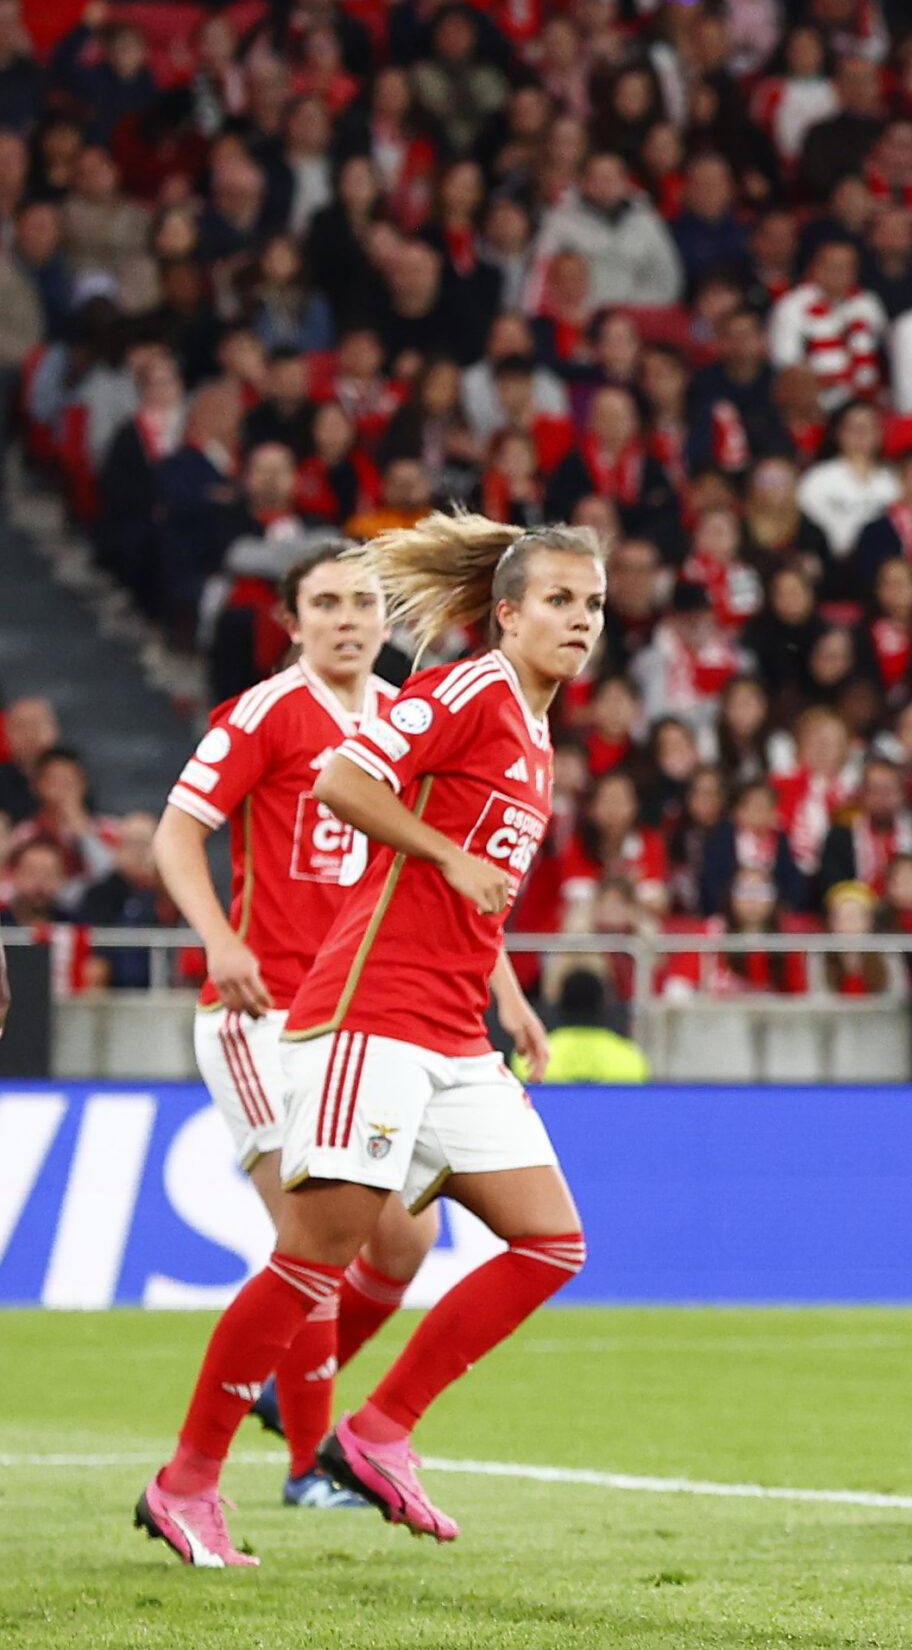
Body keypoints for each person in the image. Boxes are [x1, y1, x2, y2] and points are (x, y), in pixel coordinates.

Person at [136, 518, 602, 1567]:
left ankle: (376, 1430)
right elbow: (346, 783)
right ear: (510, 612)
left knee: (551, 1239)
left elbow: (469, 889)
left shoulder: (529, 726)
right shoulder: (465, 690)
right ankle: (189, 1481)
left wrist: (508, 994)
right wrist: (444, 854)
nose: (581, 620)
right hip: (369, 1011)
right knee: (315, 1255)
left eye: (594, 604)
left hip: (453, 1028)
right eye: (562, 601)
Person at [150, 538, 442, 1511]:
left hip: (357, 1017)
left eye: (365, 602)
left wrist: (508, 994)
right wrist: (220, 939)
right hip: (261, 1015)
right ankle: (308, 1463)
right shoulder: (267, 712)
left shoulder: (403, 718)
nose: (350, 619)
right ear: (293, 621)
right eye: (328, 603)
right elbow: (176, 831)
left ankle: (287, 1386)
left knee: (404, 1241)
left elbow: (432, 864)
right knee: (313, 1240)